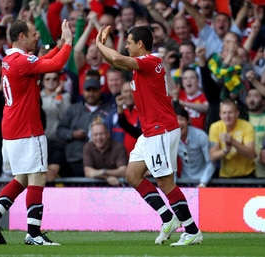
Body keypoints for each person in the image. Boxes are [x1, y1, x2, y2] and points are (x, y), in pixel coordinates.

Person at [96, 25, 202, 245]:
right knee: (133, 175)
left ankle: (192, 230)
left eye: (129, 42)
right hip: (149, 132)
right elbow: (114, 60)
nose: (126, 45)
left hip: (161, 129)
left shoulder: (150, 61)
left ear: (140, 44)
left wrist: (99, 44)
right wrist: (102, 47)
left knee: (164, 182)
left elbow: (116, 59)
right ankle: (167, 217)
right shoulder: (140, 66)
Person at [0, 19, 73, 245]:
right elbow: (56, 64)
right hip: (27, 129)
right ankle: (33, 232)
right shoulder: (22, 61)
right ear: (21, 36)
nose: (37, 36)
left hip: (11, 129)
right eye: (33, 34)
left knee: (21, 178)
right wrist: (68, 43)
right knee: (38, 176)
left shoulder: (10, 60)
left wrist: (59, 45)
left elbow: (41, 61)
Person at [56, 78, 112, 177]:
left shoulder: (109, 110)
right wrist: (72, 134)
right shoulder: (73, 109)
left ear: (100, 91)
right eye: (88, 90)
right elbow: (60, 131)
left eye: (94, 90)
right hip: (75, 159)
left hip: (101, 161)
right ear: (82, 92)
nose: (91, 94)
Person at [209, 99, 256, 178]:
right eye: (224, 113)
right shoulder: (215, 127)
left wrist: (233, 142)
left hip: (247, 175)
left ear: (237, 113)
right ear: (220, 115)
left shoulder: (247, 126)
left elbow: (251, 154)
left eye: (230, 112)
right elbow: (212, 157)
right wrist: (225, 150)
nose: (227, 116)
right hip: (225, 176)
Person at [175, 105, 215, 187]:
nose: (178, 123)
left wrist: (203, 183)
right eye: (175, 120)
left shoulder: (201, 136)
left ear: (188, 121)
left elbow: (211, 163)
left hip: (203, 181)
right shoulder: (171, 139)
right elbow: (170, 166)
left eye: (181, 119)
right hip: (184, 181)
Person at [83, 119, 127, 186]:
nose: (99, 137)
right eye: (95, 134)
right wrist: (106, 177)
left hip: (118, 186)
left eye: (101, 134)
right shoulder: (88, 147)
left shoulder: (118, 147)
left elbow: (123, 171)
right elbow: (88, 172)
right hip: (94, 188)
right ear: (91, 136)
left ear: (108, 134)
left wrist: (104, 172)